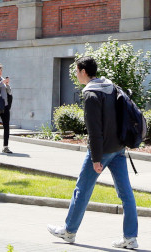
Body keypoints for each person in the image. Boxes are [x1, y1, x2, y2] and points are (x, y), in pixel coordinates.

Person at [47, 56, 138, 250]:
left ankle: (69, 231)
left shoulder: (90, 94)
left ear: (83, 71)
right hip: (119, 148)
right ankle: (130, 237)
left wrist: (96, 158)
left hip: (102, 150)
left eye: (76, 71)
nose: (76, 74)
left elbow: (94, 130)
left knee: (82, 189)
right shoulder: (110, 87)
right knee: (126, 194)